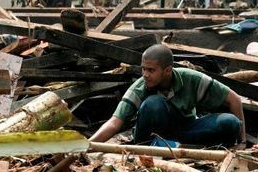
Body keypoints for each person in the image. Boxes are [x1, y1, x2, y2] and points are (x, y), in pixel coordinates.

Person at [89, 44, 246, 147]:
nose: (145, 74)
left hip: (188, 130)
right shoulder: (140, 86)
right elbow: (114, 122)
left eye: (151, 70)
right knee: (153, 103)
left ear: (167, 70)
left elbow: (235, 99)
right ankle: (144, 151)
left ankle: (217, 150)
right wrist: (86, 146)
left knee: (231, 122)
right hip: (152, 136)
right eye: (143, 69)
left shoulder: (192, 79)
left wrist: (243, 142)